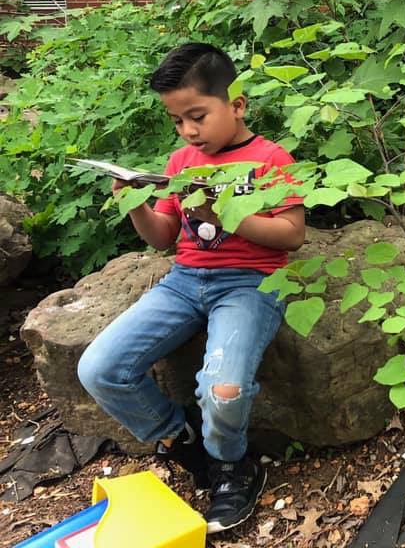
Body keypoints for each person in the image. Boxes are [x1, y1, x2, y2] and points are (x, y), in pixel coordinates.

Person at [77, 43, 305, 532]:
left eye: (197, 116)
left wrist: (227, 214)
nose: (188, 131)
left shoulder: (269, 158)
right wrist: (135, 202)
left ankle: (231, 466)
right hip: (184, 281)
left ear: (236, 104)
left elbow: (292, 235)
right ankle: (182, 442)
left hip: (250, 283)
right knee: (100, 368)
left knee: (223, 390)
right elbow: (163, 237)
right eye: (178, 121)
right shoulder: (181, 160)